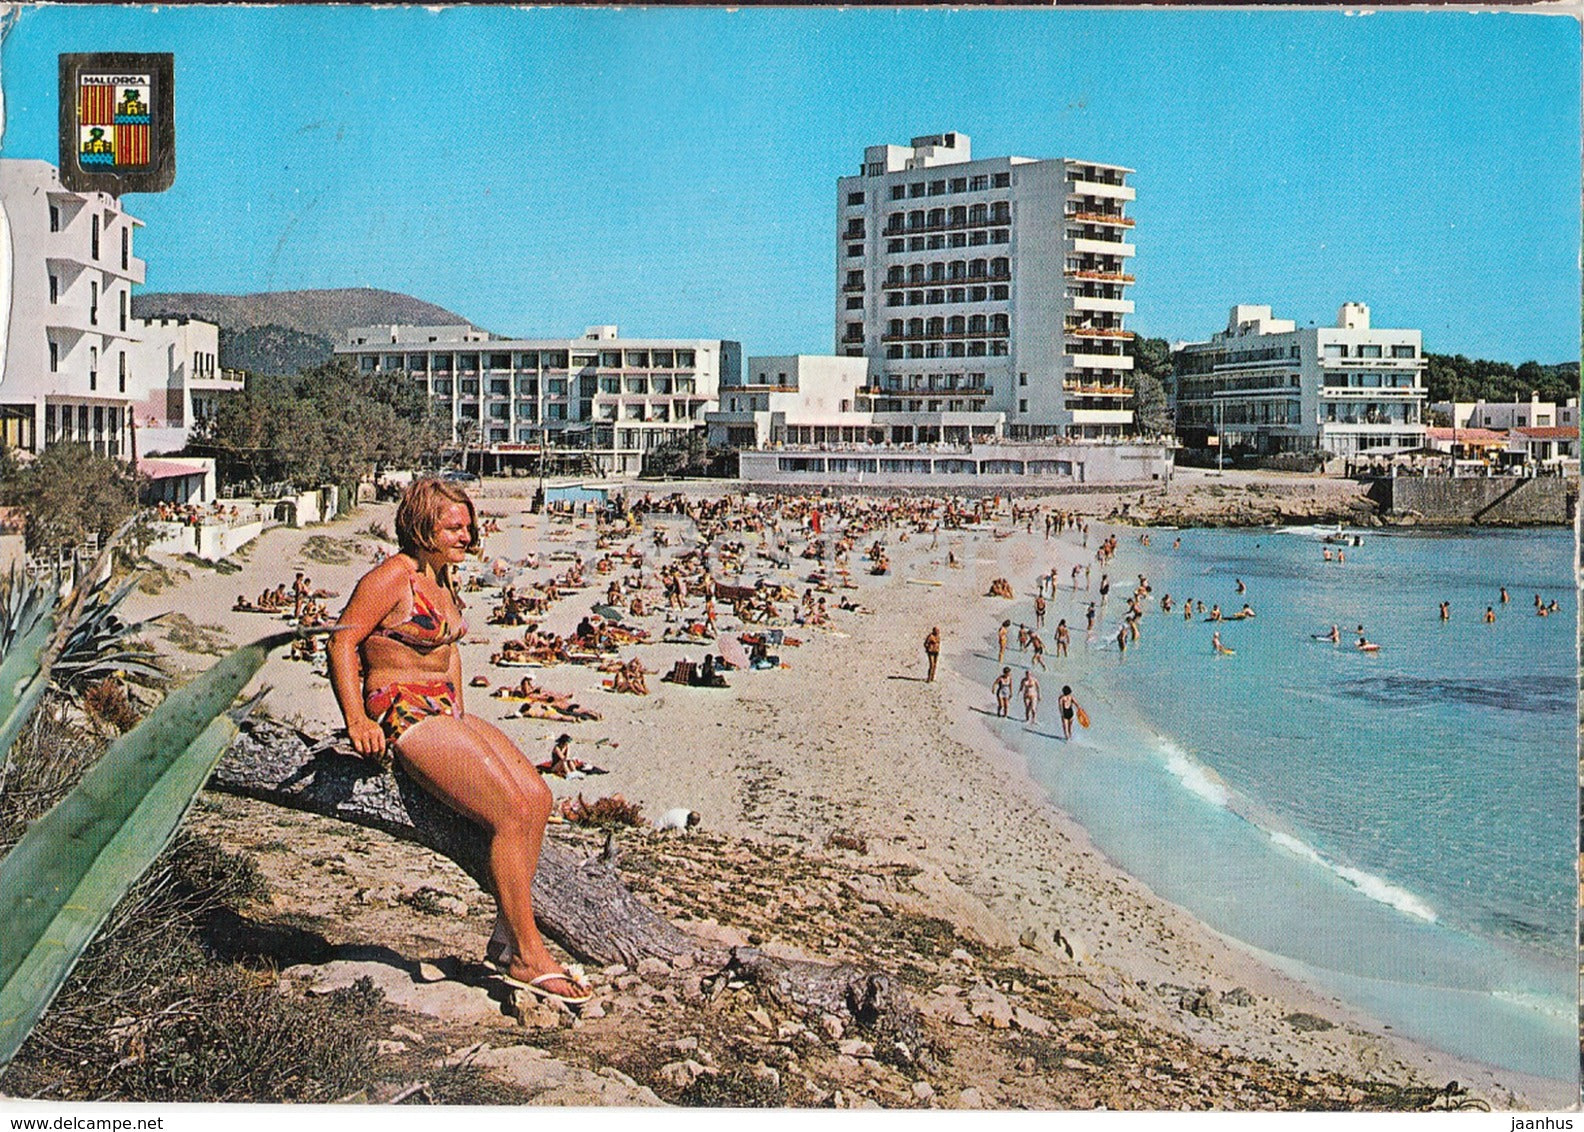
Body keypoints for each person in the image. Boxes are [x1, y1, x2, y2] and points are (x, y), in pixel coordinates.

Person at [328, 478, 591, 1008]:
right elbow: (342, 641)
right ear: (423, 525)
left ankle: (503, 935)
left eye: (469, 526)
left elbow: (449, 654)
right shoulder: (391, 577)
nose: (467, 535)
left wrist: (464, 723)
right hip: (401, 709)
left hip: (444, 711)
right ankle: (528, 954)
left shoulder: (444, 579)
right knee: (511, 811)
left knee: (538, 799)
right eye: (455, 526)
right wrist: (356, 719)